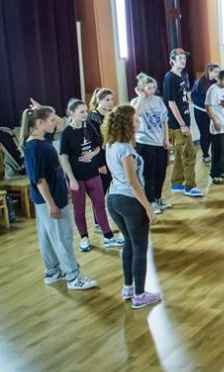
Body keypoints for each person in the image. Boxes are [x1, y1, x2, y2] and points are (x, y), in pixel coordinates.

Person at [21, 106, 97, 290]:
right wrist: (52, 205)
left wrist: (44, 110)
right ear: (39, 123)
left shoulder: (42, 139)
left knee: (47, 238)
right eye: (51, 120)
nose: (55, 123)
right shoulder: (35, 147)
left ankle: (52, 272)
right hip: (51, 200)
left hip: (51, 198)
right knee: (63, 239)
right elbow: (39, 180)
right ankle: (73, 277)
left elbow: (63, 124)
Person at [103, 104, 162, 308]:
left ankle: (128, 287)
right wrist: (149, 208)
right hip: (129, 201)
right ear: (126, 124)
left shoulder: (111, 144)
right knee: (139, 247)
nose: (138, 122)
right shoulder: (126, 150)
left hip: (113, 199)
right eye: (135, 120)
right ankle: (139, 295)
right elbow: (133, 182)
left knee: (129, 242)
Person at [58, 99, 122, 251]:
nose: (85, 114)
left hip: (92, 174)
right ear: (72, 113)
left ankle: (108, 236)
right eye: (81, 112)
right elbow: (63, 157)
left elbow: (98, 146)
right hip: (76, 177)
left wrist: (91, 154)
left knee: (99, 205)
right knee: (79, 209)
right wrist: (71, 179)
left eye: (86, 111)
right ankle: (84, 238)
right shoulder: (67, 133)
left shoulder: (90, 127)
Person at [164, 48, 202, 197]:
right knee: (190, 154)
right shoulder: (170, 78)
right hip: (177, 125)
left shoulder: (183, 75)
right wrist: (182, 124)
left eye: (184, 57)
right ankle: (190, 186)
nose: (183, 60)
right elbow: (171, 103)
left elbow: (184, 97)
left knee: (180, 155)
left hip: (185, 121)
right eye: (180, 58)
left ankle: (176, 182)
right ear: (172, 61)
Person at [131, 74, 172, 215]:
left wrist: (166, 139)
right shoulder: (135, 101)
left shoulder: (158, 100)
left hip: (159, 142)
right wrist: (141, 98)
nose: (152, 90)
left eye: (153, 87)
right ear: (142, 89)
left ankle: (158, 197)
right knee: (148, 174)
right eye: (149, 88)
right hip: (145, 142)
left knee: (161, 172)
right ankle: (150, 201)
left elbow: (164, 120)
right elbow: (134, 116)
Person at [206, 70, 224, 184]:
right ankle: (215, 174)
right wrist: (215, 121)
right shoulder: (213, 90)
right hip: (219, 126)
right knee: (219, 150)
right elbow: (208, 107)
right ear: (219, 80)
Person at [87, 87, 116, 197]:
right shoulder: (93, 117)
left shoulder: (112, 114)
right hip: (100, 157)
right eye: (107, 100)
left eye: (112, 99)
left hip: (111, 154)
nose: (111, 102)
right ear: (99, 100)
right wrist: (100, 164)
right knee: (101, 191)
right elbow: (93, 142)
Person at [192, 63, 220, 164]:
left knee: (213, 134)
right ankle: (205, 155)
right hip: (201, 112)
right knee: (205, 134)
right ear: (209, 71)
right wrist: (206, 105)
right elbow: (194, 97)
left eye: (218, 72)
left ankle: (214, 154)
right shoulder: (200, 81)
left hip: (211, 112)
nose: (217, 74)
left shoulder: (217, 82)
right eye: (215, 72)